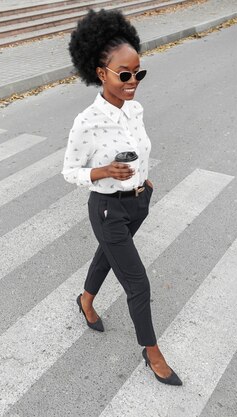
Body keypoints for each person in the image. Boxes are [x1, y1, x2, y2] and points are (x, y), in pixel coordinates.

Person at [62, 9, 182, 386]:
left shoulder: (135, 108)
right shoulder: (87, 122)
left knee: (108, 256)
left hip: (137, 203)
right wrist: (103, 172)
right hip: (107, 209)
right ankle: (151, 351)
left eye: (139, 73)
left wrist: (144, 182)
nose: (134, 82)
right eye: (125, 75)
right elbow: (69, 171)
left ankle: (85, 299)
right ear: (101, 74)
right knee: (138, 283)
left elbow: (138, 148)